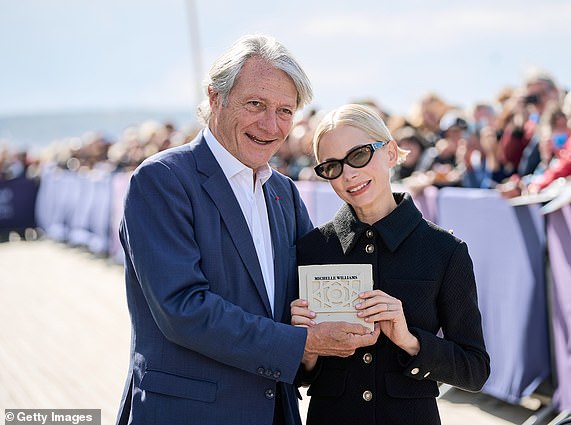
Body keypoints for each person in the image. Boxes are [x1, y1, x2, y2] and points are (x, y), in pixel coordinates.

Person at [116, 35, 378, 425]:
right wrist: (303, 343)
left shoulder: (283, 192)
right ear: (215, 97)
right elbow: (183, 308)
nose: (270, 125)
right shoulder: (162, 180)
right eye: (255, 104)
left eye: (285, 110)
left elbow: (308, 294)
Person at [291, 104, 490, 425]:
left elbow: (475, 369)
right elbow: (300, 374)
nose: (349, 174)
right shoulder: (311, 249)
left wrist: (409, 340)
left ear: (391, 153)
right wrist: (307, 348)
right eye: (331, 166)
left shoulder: (444, 250)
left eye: (358, 156)